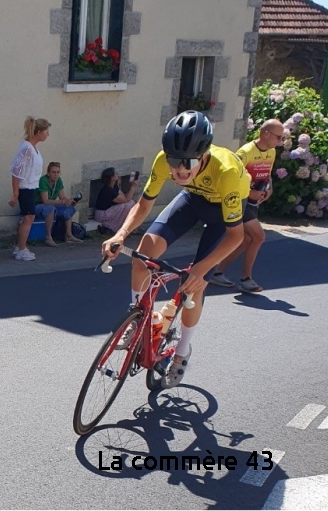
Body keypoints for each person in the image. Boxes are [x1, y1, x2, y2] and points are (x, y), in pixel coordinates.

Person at [102, 111, 251, 389]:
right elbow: (143, 205)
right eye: (174, 162)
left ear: (204, 155)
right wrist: (120, 234)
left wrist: (202, 269)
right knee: (144, 252)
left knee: (194, 285)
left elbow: (236, 236)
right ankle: (137, 318)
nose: (180, 170)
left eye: (189, 163)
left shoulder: (227, 171)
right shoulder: (163, 161)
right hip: (193, 199)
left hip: (224, 213)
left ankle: (182, 352)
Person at [209, 119, 284, 293]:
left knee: (245, 240)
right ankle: (246, 279)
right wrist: (250, 193)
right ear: (266, 134)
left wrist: (269, 189)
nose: (280, 142)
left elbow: (267, 173)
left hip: (253, 202)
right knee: (259, 237)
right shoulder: (246, 152)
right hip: (240, 201)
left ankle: (216, 271)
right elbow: (231, 177)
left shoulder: (271, 152)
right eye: (278, 137)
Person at [8, 116, 51, 261]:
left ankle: (21, 246)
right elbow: (16, 172)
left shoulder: (33, 148)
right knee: (28, 217)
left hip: (31, 187)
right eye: (46, 131)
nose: (47, 134)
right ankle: (21, 249)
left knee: (29, 217)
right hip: (25, 188)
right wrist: (15, 194)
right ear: (38, 132)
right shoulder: (26, 149)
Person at [35, 162, 82, 246]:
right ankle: (48, 237)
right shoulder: (43, 180)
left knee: (69, 208)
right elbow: (45, 201)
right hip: (38, 205)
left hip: (51, 205)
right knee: (50, 209)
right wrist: (62, 201)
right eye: (53, 172)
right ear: (48, 173)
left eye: (58, 172)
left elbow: (62, 197)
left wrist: (69, 201)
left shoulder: (58, 180)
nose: (56, 175)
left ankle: (68, 235)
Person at [94, 167, 139, 233]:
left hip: (109, 210)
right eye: (115, 174)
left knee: (131, 203)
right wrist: (133, 186)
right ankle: (114, 227)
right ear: (112, 178)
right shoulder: (108, 191)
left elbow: (124, 197)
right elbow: (125, 199)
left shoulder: (114, 186)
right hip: (101, 214)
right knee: (124, 206)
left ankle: (128, 225)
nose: (117, 174)